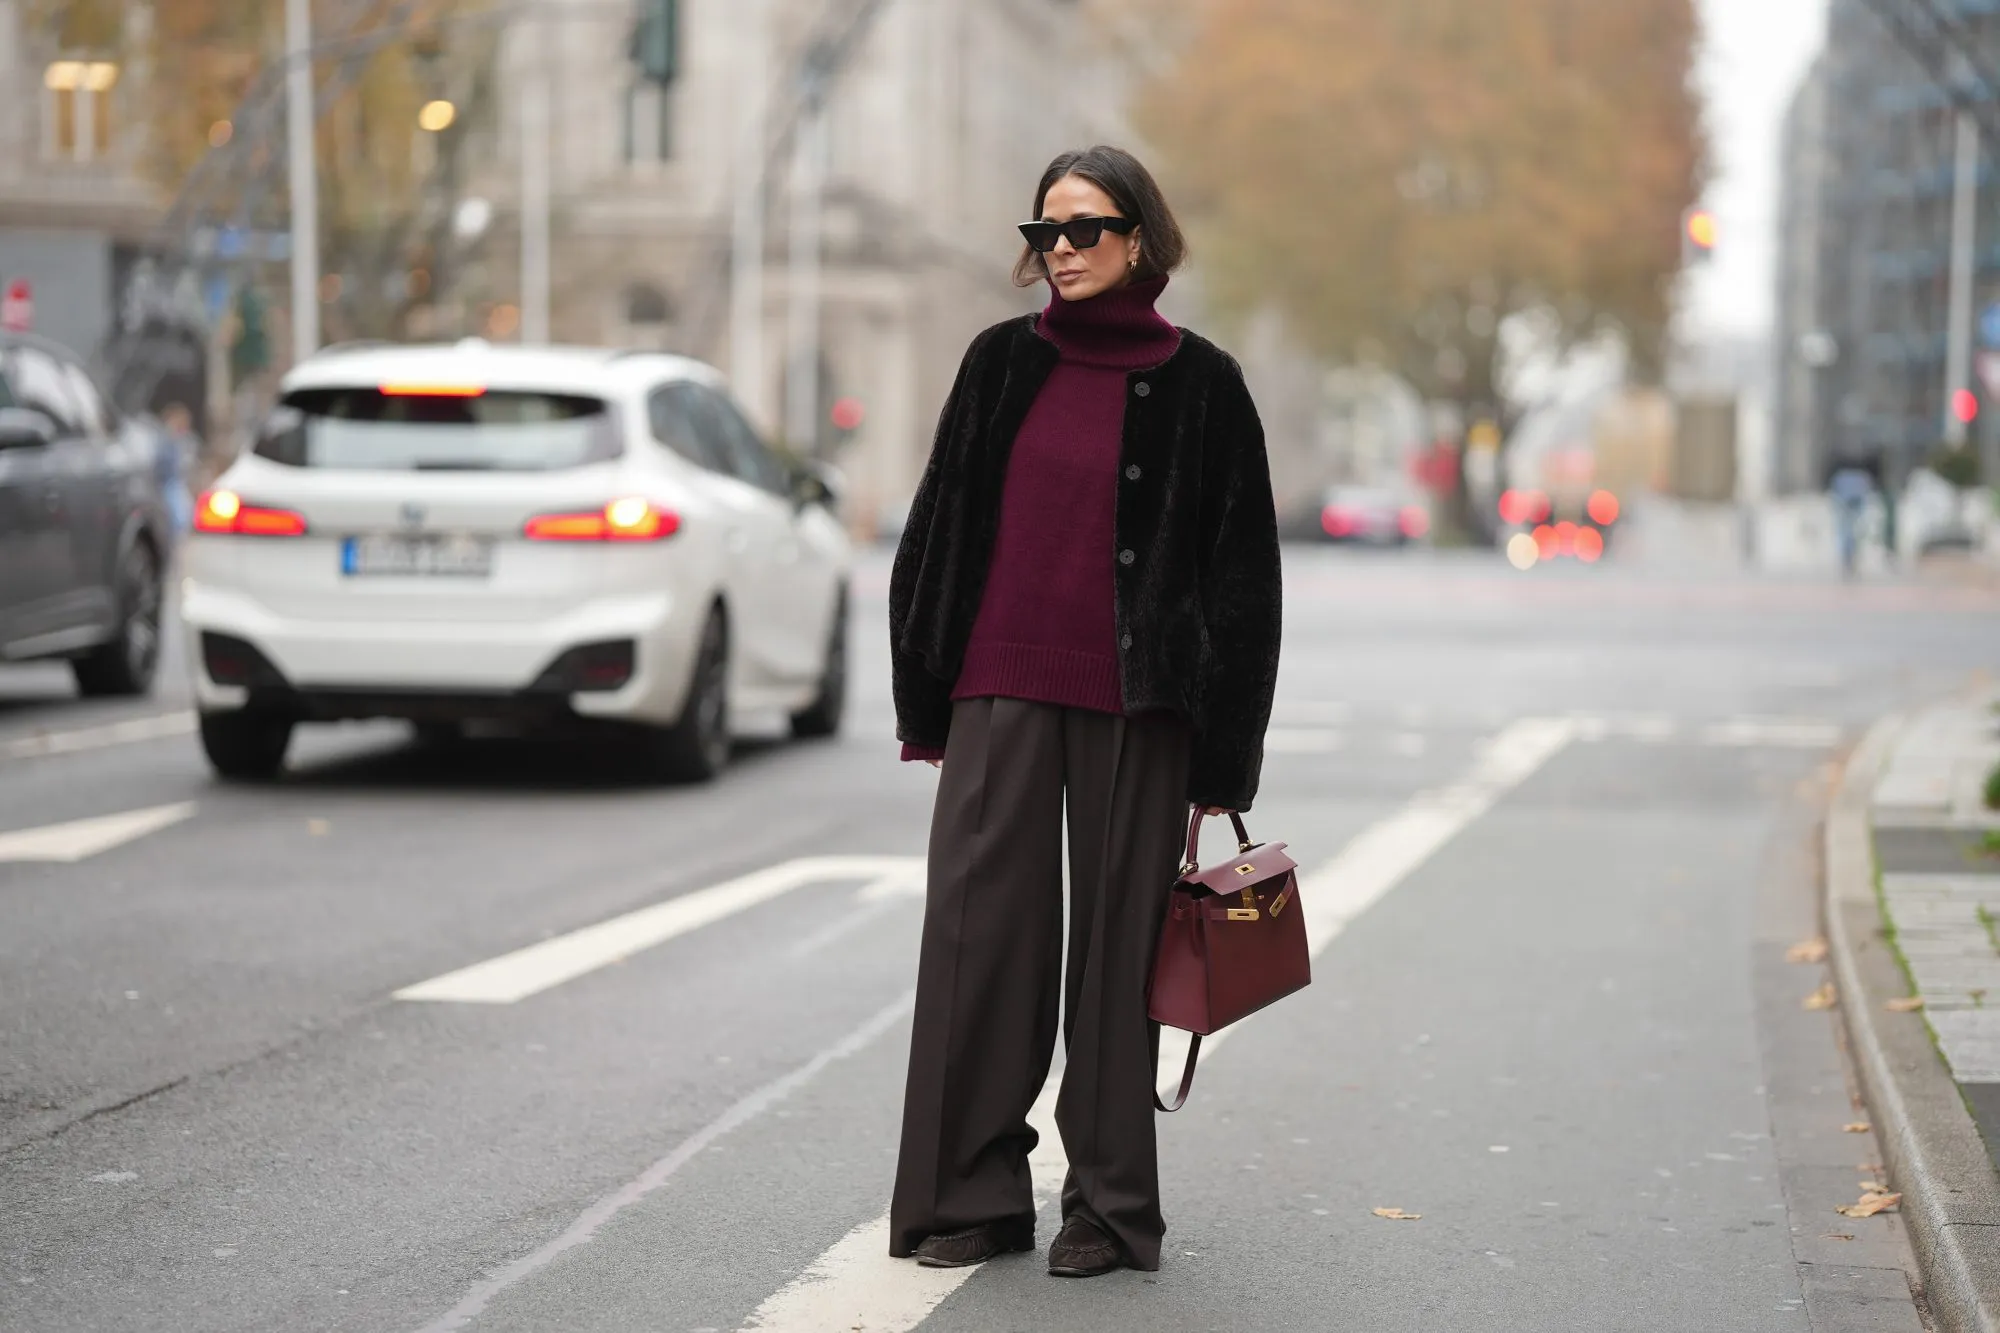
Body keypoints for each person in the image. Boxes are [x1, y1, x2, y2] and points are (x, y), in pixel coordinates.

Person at [886, 146, 1283, 1279]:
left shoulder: (1204, 384)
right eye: (1044, 230)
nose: (1057, 249)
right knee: (979, 941)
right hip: (996, 692)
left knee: (1118, 959)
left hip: (1138, 705)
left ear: (1140, 239)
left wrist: (1225, 758)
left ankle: (1106, 1206)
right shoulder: (997, 364)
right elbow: (939, 529)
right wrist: (926, 690)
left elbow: (1240, 582)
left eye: (1083, 228)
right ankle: (970, 1190)